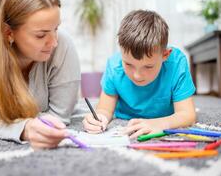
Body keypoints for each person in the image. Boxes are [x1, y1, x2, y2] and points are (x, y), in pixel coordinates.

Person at [0, 0, 80, 149]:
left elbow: (60, 116)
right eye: (41, 35)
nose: (54, 42)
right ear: (8, 32)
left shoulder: (63, 43)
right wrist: (24, 128)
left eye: (56, 28)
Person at [82, 10, 196, 138]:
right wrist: (98, 119)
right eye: (128, 64)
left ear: (165, 55)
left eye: (148, 66)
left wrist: (160, 124)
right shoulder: (114, 66)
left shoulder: (176, 62)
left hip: (164, 117)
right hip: (126, 119)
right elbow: (105, 109)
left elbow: (187, 115)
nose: (137, 75)